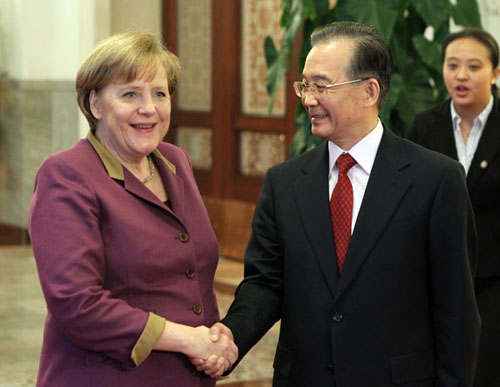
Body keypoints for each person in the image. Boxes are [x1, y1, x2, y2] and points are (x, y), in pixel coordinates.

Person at [194, 21, 481, 386]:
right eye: (305, 85)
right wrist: (231, 337)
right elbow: (265, 283)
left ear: (369, 91)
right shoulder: (284, 184)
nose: (309, 99)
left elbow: (456, 313)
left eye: (322, 86)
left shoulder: (435, 180)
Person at [28, 31, 237, 386]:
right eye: (130, 94)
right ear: (95, 104)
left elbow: (193, 274)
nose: (149, 109)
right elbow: (76, 303)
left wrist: (219, 341)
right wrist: (190, 339)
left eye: (159, 93)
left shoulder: (175, 161)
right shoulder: (65, 174)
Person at [406, 28, 500, 387]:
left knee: (485, 371)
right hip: (435, 276)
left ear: (494, 73)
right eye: (452, 65)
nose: (461, 75)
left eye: (474, 66)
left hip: (493, 278)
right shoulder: (424, 126)